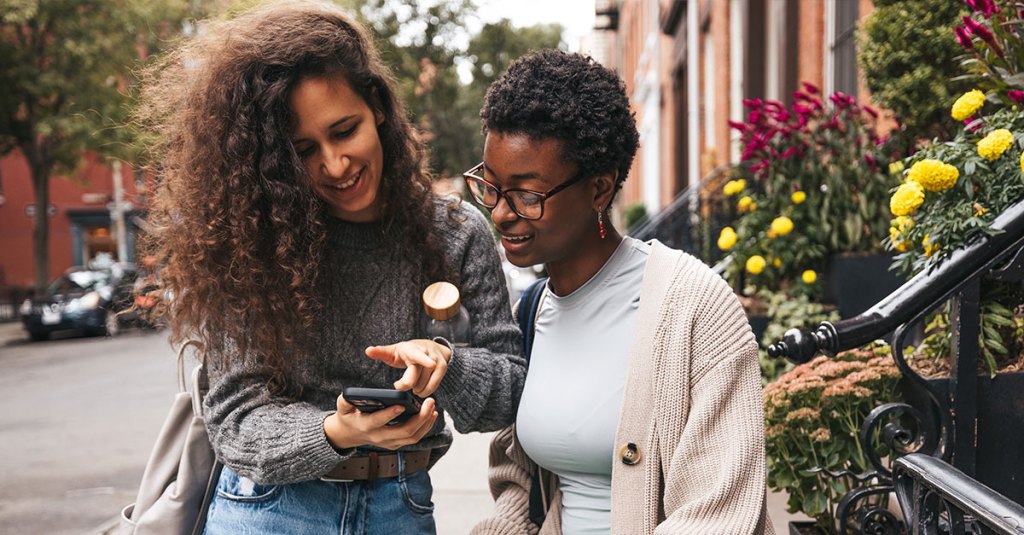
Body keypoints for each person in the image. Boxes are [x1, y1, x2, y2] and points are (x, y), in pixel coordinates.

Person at [136, 3, 524, 533]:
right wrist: (336, 431)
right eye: (303, 151)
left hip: (401, 508)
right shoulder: (252, 243)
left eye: (345, 131)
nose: (335, 165)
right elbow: (235, 420)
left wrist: (447, 365)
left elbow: (507, 397)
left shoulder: (456, 233)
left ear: (378, 106)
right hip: (268, 511)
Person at [467, 49, 774, 534]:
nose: (501, 213)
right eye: (491, 186)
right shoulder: (531, 312)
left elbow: (718, 510)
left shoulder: (695, 305)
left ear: (600, 189)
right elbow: (520, 479)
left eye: (527, 194)